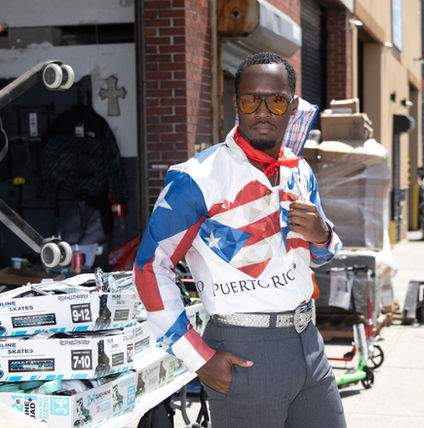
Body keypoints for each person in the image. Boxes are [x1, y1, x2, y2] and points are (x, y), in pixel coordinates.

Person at [134, 51, 346, 428]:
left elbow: (322, 255)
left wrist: (321, 234)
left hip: (309, 344)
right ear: (236, 104)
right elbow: (151, 267)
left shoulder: (299, 171)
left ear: (292, 106)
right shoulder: (197, 177)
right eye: (251, 100)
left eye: (276, 100)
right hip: (244, 352)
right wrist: (197, 357)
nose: (262, 112)